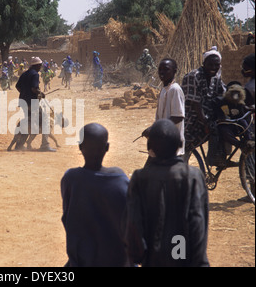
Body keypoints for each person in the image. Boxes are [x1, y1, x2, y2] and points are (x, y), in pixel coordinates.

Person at [124, 119, 210, 267]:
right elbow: (197, 221)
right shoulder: (192, 177)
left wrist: (138, 256)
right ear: (180, 145)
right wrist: (199, 262)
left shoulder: (140, 178)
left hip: (152, 260)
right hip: (183, 258)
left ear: (149, 147)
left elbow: (133, 224)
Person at [61, 123, 130, 267]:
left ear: (80, 147)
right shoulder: (120, 180)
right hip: (117, 260)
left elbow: (68, 218)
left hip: (82, 260)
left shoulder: (71, 179)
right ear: (107, 147)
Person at [181, 47, 226, 161]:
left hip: (208, 117)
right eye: (210, 64)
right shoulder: (193, 76)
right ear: (203, 63)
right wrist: (206, 122)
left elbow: (224, 92)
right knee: (185, 148)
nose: (213, 68)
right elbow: (195, 103)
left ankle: (218, 158)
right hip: (192, 119)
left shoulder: (216, 78)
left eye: (216, 65)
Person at [142, 59, 185, 160]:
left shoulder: (175, 89)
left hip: (171, 144)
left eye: (166, 69)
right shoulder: (164, 90)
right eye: (160, 69)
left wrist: (155, 129)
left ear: (174, 71)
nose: (162, 72)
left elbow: (177, 117)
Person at [15, 57, 55, 152]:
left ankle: (19, 145)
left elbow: (17, 86)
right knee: (45, 120)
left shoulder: (24, 73)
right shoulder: (35, 74)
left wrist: (25, 93)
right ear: (36, 65)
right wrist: (40, 93)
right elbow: (34, 88)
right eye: (40, 65)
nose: (40, 67)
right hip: (32, 103)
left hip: (23, 102)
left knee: (28, 122)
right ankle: (45, 145)